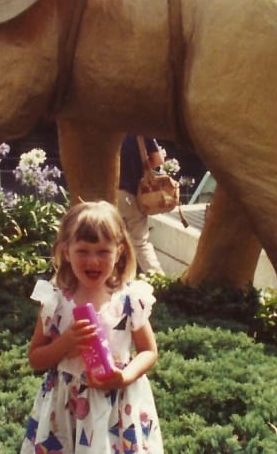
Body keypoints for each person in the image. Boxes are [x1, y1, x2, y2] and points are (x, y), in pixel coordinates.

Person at [22, 200, 163, 453]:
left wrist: (125, 376)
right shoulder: (56, 303)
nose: (93, 261)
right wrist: (65, 343)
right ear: (66, 251)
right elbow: (35, 358)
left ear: (119, 252)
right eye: (83, 251)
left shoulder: (129, 300)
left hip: (117, 405)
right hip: (66, 409)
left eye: (102, 251)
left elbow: (148, 351)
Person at [116, 134, 165, 274]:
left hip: (109, 193)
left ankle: (115, 280)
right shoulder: (141, 132)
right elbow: (158, 159)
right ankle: (157, 279)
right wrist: (140, 166)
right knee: (140, 243)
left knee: (110, 240)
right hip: (132, 193)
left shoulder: (108, 128)